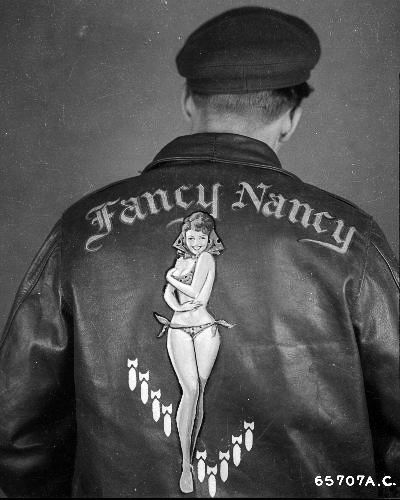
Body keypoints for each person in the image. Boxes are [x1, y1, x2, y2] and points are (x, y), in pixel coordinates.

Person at [0, 5, 398, 499]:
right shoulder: (349, 239)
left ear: (188, 100)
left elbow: (16, 431)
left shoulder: (81, 229)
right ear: (292, 117)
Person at [155, 211, 233, 493]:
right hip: (178, 328)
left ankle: (188, 457)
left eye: (201, 238)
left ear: (209, 238)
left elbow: (196, 293)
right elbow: (168, 293)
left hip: (205, 328)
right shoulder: (181, 260)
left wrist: (171, 277)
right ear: (184, 237)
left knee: (198, 392)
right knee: (189, 391)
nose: (196, 242)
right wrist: (175, 306)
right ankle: (186, 464)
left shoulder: (207, 259)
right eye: (191, 237)